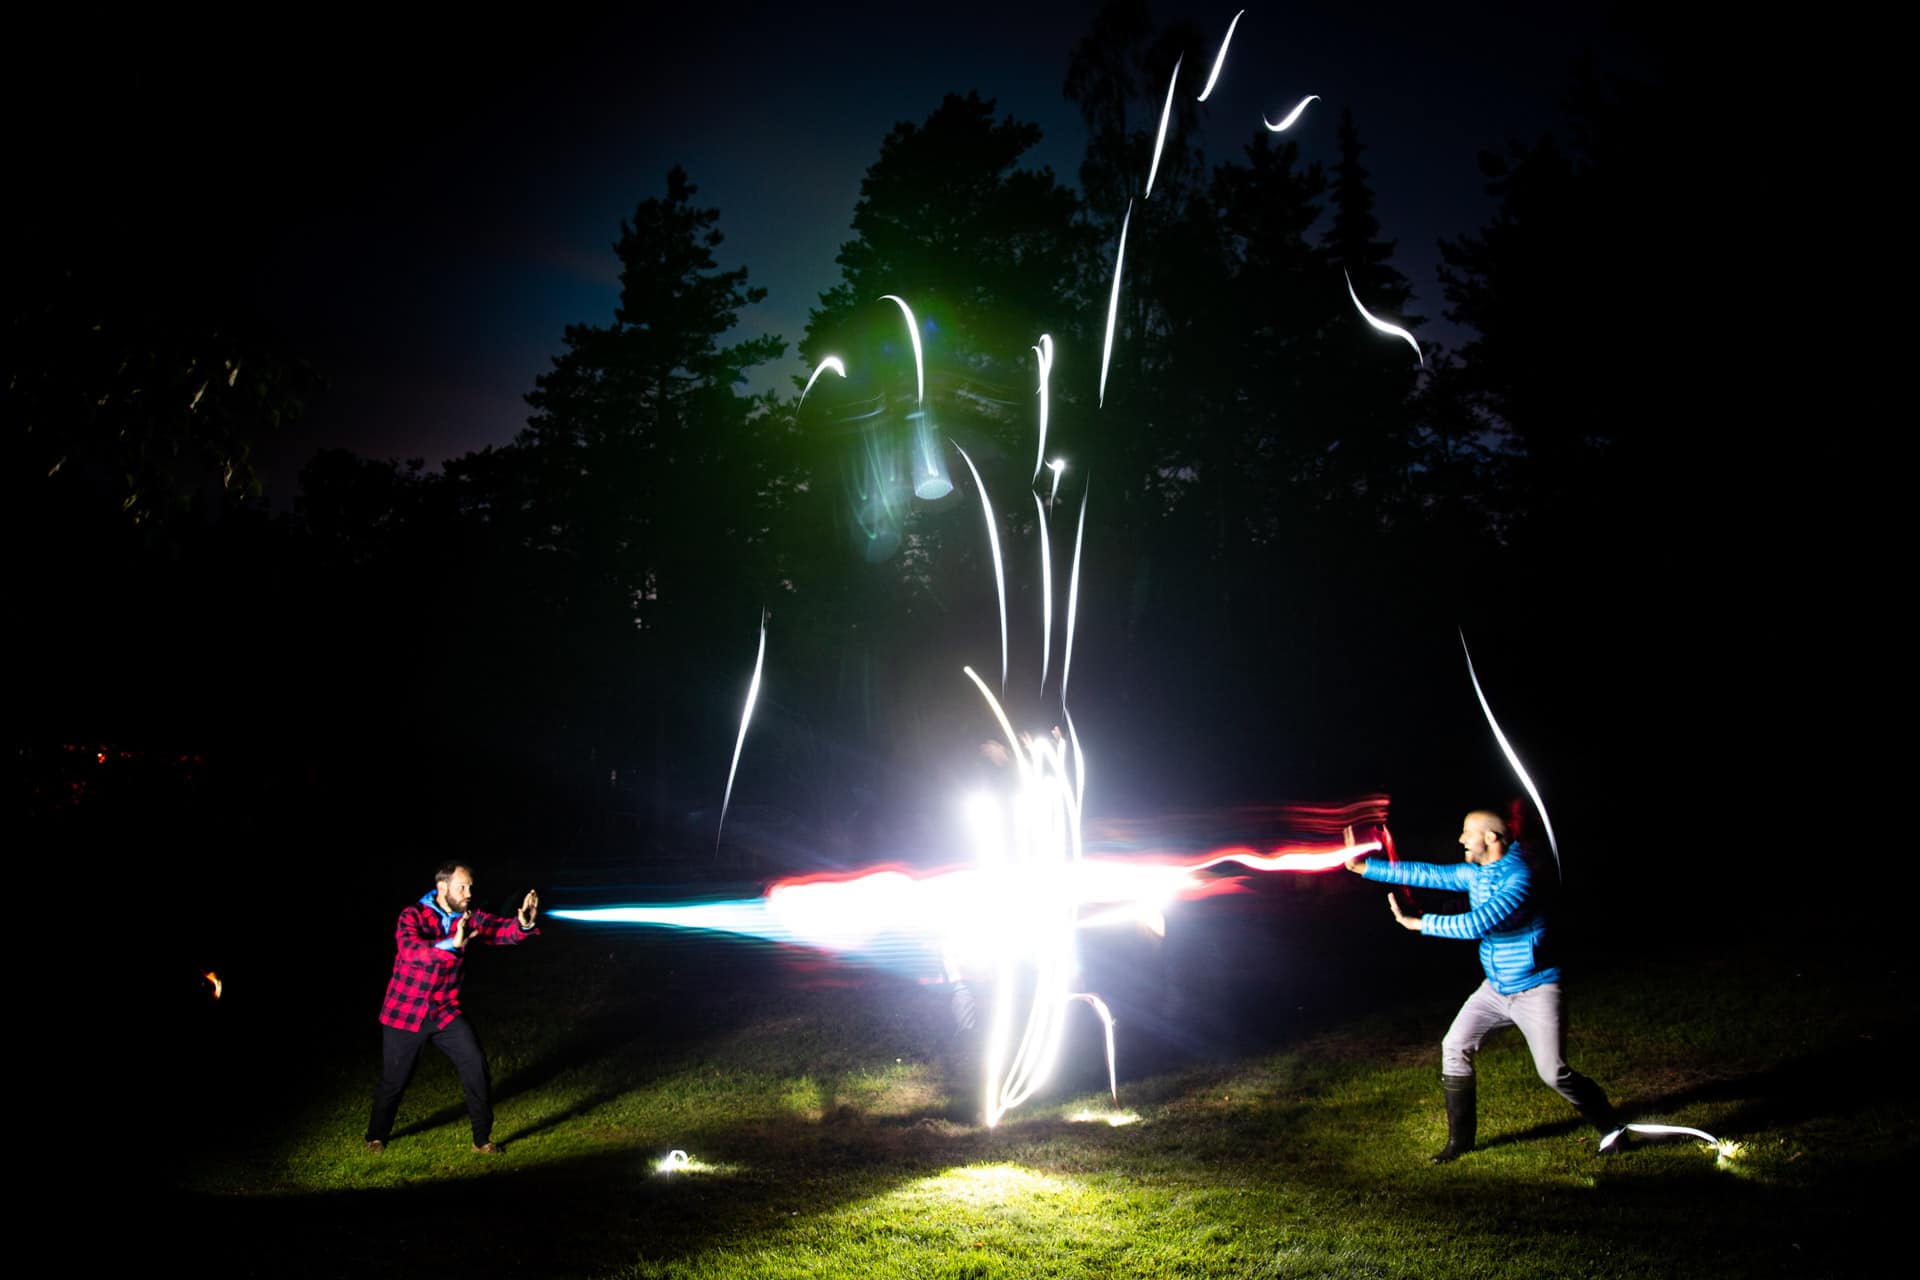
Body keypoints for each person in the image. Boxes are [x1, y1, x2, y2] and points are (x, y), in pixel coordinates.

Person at [1346, 811, 1617, 1161]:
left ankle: (1611, 1129)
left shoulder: (1520, 878)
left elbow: (1478, 923)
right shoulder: (1475, 873)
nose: (1461, 839)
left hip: (1536, 988)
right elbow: (1427, 873)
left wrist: (1419, 924)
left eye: (1467, 832)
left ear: (1490, 838)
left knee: (1553, 1072)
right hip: (1495, 989)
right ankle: (1459, 1143)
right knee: (1454, 1045)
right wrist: (1365, 868)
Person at [364, 863, 539, 1154]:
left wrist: (524, 925)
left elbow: (498, 930)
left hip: (444, 1010)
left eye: (470, 887)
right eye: (462, 887)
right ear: (442, 887)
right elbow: (411, 951)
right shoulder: (412, 915)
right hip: (405, 1012)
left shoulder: (469, 917)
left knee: (475, 1066)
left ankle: (481, 1141)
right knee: (394, 1082)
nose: (468, 893)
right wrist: (451, 944)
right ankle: (376, 1136)